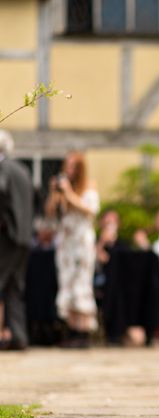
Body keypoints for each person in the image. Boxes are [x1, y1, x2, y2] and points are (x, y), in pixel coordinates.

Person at [45, 151, 100, 348]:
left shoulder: (88, 188)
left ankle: (83, 332)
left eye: (72, 166)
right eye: (66, 165)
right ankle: (72, 330)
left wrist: (68, 192)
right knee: (67, 283)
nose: (68, 170)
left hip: (81, 243)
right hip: (65, 244)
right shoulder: (63, 190)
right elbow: (50, 213)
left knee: (81, 284)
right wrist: (54, 193)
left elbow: (89, 210)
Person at [0, 130, 33, 350]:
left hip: (6, 236)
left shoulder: (3, 168)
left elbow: (1, 193)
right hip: (24, 237)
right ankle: (19, 337)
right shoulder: (23, 169)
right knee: (15, 287)